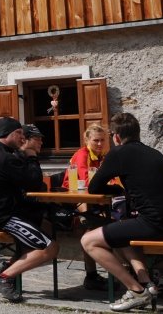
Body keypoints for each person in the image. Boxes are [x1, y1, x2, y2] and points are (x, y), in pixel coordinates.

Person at [81, 113, 163, 312]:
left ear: (115, 137)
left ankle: (136, 292)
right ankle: (146, 283)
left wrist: (118, 190)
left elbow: (94, 187)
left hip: (155, 225)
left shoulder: (119, 153)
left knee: (88, 240)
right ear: (137, 133)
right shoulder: (153, 152)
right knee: (121, 230)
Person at [0, 117, 60, 303]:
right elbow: (35, 183)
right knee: (50, 247)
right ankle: (4, 278)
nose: (23, 138)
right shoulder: (5, 158)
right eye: (20, 133)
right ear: (9, 134)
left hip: (2, 211)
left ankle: (7, 265)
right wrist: (31, 158)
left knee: (46, 225)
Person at [64, 124, 110, 292]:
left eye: (102, 140)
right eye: (96, 140)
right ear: (87, 140)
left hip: (97, 198)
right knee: (94, 227)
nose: (99, 144)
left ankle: (91, 220)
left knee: (99, 227)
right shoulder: (82, 154)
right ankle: (88, 219)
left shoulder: (104, 156)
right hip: (76, 196)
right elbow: (85, 179)